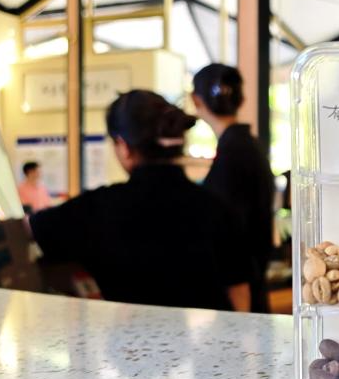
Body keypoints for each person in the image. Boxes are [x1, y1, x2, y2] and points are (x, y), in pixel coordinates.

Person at [30, 90, 251, 312]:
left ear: (124, 147)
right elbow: (239, 292)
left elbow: (30, 229)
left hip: (126, 335)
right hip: (207, 335)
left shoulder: (97, 207)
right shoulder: (216, 207)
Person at [191, 64, 275, 313]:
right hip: (253, 282)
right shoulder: (248, 146)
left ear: (196, 100)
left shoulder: (232, 154)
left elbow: (231, 239)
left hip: (242, 296)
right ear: (242, 99)